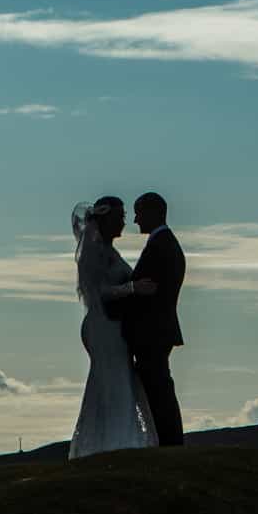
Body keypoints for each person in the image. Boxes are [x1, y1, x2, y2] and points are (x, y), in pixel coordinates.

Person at [67, 196, 157, 459]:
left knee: (118, 381)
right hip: (104, 326)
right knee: (113, 381)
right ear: (106, 221)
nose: (124, 222)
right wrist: (133, 287)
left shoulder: (108, 251)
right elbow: (98, 291)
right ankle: (114, 443)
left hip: (112, 325)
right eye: (120, 218)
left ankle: (117, 440)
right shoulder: (94, 253)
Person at [120, 191, 186, 447]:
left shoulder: (162, 245)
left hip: (153, 331)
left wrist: (124, 293)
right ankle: (167, 440)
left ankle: (170, 441)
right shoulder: (163, 243)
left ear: (153, 212)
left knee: (158, 389)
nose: (135, 220)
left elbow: (151, 292)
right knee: (158, 387)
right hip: (157, 330)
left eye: (139, 213)